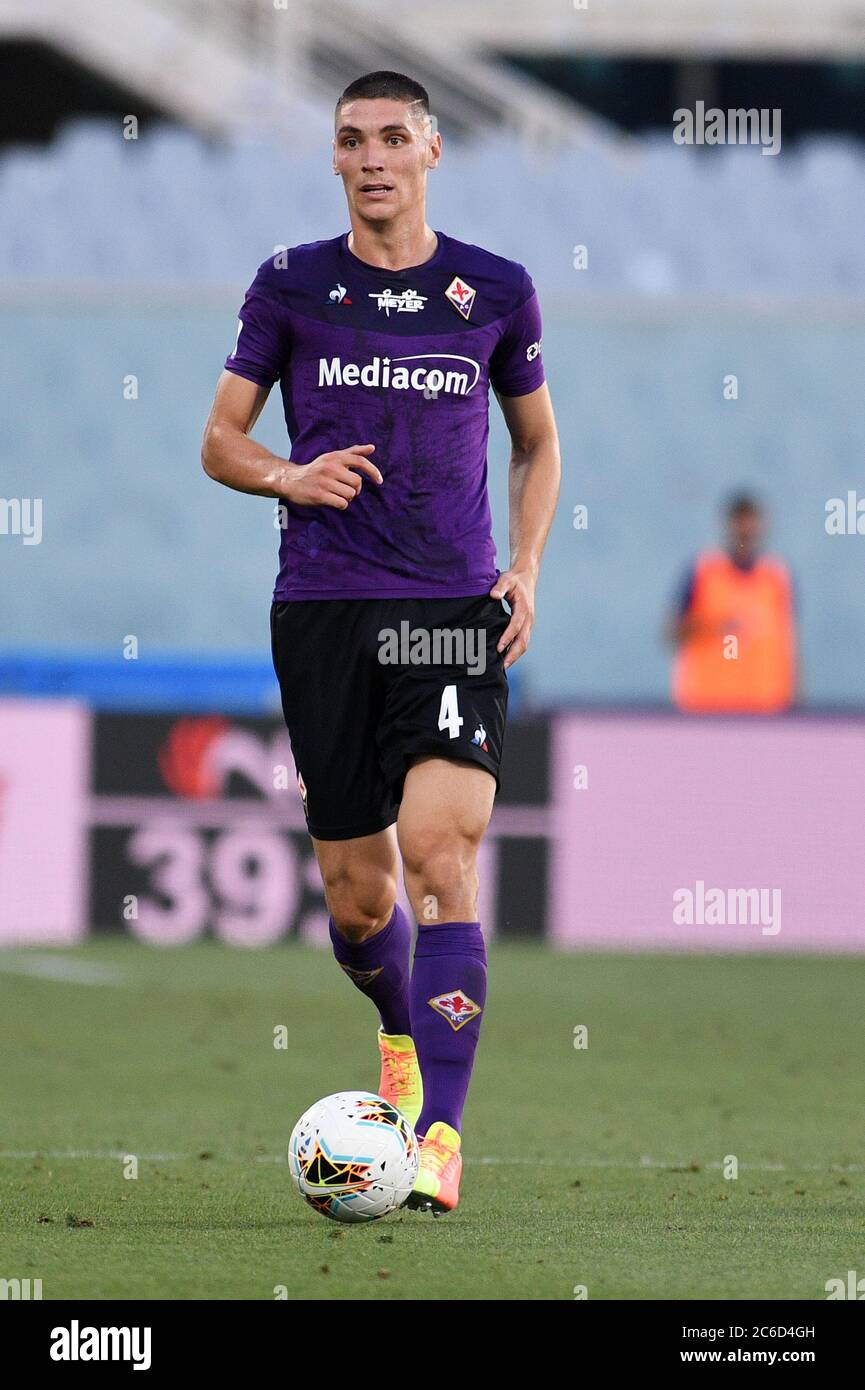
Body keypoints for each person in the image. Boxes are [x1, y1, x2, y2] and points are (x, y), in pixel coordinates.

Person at [201, 71, 561, 1212]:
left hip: (450, 610)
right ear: (338, 158)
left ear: (432, 151)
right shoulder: (292, 283)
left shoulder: (495, 292)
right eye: (351, 140)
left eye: (393, 138)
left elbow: (538, 444)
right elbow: (219, 438)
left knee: (441, 853)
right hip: (321, 610)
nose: (371, 157)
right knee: (360, 904)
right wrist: (286, 473)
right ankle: (399, 1042)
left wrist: (526, 562)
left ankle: (443, 1136)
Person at [669, 494, 797, 713]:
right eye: (740, 524)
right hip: (705, 706)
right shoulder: (703, 572)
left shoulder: (776, 577)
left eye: (751, 525)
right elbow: (672, 633)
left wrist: (794, 701)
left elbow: (788, 643)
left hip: (765, 708)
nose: (746, 532)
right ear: (728, 525)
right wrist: (717, 627)